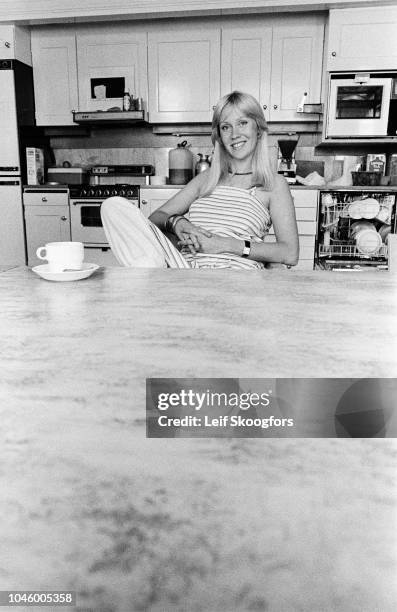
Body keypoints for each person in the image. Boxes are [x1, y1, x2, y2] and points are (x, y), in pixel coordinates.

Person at [101, 91, 299, 269]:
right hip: (185, 268)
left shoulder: (273, 184)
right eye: (226, 127)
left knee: (147, 267)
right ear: (219, 136)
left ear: (258, 129)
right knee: (113, 206)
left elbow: (290, 253)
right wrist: (177, 223)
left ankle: (148, 274)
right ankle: (151, 269)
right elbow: (155, 218)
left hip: (236, 274)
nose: (234, 134)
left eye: (243, 123)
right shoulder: (206, 179)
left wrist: (224, 244)